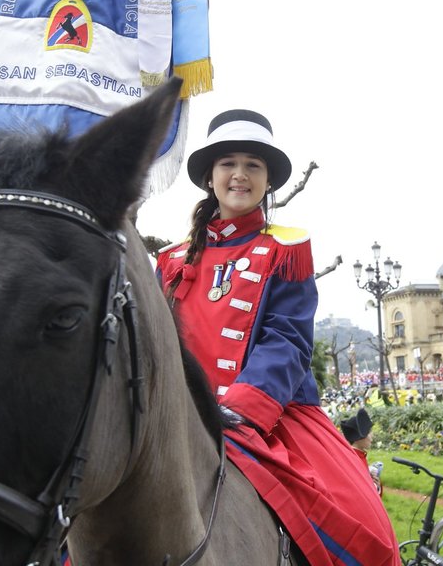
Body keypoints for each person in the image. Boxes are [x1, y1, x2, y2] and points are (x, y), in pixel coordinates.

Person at [156, 109, 400, 566]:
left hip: (269, 414)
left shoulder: (287, 248)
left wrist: (239, 410)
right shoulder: (169, 259)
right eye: (228, 163)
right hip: (178, 415)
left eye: (253, 165)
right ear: (210, 176)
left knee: (370, 535)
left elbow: (288, 340)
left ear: (268, 180)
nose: (240, 175)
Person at [340, 407, 383, 495]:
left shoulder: (356, 456)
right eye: (368, 432)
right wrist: (374, 486)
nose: (372, 436)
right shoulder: (354, 460)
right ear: (358, 438)